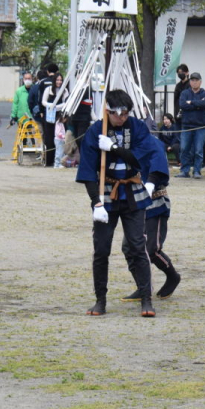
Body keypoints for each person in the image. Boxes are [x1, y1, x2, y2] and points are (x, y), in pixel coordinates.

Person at [76, 89, 171, 317]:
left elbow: (140, 158)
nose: (122, 117)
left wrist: (115, 148)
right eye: (118, 113)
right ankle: (100, 300)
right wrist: (96, 203)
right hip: (105, 191)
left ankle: (146, 299)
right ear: (108, 110)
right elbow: (88, 170)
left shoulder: (137, 127)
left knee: (138, 246)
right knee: (101, 249)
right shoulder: (95, 131)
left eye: (126, 113)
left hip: (132, 189)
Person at [178, 71, 205, 179]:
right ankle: (184, 170)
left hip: (200, 126)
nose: (194, 82)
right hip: (186, 125)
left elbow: (204, 103)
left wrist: (191, 102)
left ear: (200, 82)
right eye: (192, 80)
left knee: (198, 150)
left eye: (196, 80)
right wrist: (197, 103)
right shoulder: (184, 93)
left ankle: (197, 171)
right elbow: (182, 105)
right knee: (184, 149)